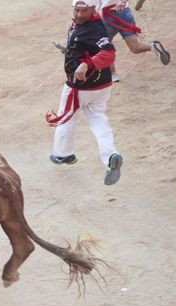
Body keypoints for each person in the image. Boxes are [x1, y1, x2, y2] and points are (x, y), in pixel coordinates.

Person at [47, 0, 123, 186]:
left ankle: (63, 154)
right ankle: (111, 156)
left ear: (92, 10)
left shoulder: (91, 29)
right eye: (76, 10)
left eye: (84, 11)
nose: (79, 14)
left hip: (81, 87)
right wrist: (71, 52)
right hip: (102, 86)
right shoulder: (88, 24)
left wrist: (85, 64)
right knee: (98, 119)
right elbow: (90, 47)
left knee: (67, 117)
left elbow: (109, 53)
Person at [99, 0, 169, 82]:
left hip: (109, 16)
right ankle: (153, 47)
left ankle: (113, 74)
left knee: (105, 46)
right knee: (135, 47)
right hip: (125, 13)